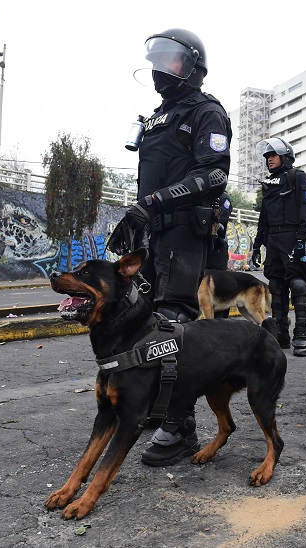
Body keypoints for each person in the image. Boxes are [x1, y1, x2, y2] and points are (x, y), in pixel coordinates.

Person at [120, 28, 232, 467]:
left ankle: (181, 424)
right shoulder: (156, 118)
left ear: (192, 68)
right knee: (140, 317)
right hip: (154, 233)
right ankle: (156, 403)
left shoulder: (207, 113)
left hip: (187, 232)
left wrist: (153, 204)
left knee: (172, 323)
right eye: (156, 60)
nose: (159, 69)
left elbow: (215, 175)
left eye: (170, 60)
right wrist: (138, 219)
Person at [250, 137, 306, 357]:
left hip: (292, 236)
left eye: (273, 155)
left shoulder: (298, 177)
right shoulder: (270, 183)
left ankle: (303, 334)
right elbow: (264, 216)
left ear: (285, 157)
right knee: (276, 286)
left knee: (297, 284)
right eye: (267, 156)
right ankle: (281, 335)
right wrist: (257, 244)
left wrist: (302, 238)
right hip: (273, 240)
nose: (269, 159)